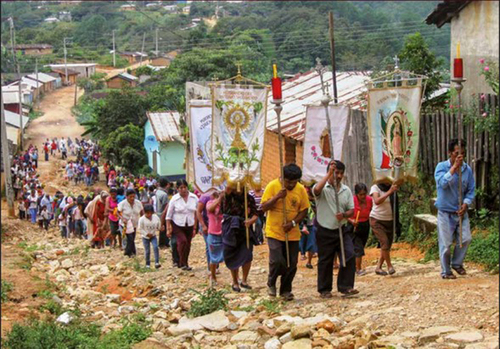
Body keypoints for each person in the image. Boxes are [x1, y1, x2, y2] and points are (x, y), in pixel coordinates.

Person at [261, 164, 310, 300]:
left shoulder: (300, 190)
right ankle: (271, 282)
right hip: (274, 231)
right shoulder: (272, 186)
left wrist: (293, 223)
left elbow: (304, 210)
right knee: (277, 260)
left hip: (292, 233)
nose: (291, 185)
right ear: (282, 178)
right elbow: (264, 207)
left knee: (291, 263)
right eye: (288, 182)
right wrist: (277, 197)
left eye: (294, 182)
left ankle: (285, 290)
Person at [313, 160, 357, 298]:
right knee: (325, 260)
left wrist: (344, 215)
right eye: (336, 173)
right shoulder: (322, 188)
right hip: (325, 230)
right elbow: (316, 190)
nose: (338, 176)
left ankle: (346, 286)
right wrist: (328, 175)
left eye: (341, 173)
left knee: (349, 255)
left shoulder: (346, 190)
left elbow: (351, 210)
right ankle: (324, 289)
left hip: (341, 229)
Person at [435, 139, 475, 279]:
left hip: (460, 212)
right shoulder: (441, 167)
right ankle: (446, 271)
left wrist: (466, 203)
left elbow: (470, 190)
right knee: (445, 244)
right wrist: (453, 169)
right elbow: (442, 184)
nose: (460, 157)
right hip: (445, 212)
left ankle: (457, 263)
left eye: (462, 154)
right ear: (450, 153)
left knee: (466, 238)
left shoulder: (467, 170)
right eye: (457, 153)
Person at [220, 184, 259, 292]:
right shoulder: (227, 196)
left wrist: (250, 221)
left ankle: (244, 280)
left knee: (247, 253)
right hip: (230, 228)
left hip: (244, 228)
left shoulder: (249, 198)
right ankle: (235, 281)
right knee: (232, 254)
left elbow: (256, 213)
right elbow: (227, 190)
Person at [369, 178, 400, 276]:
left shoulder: (393, 187)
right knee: (385, 243)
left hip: (390, 221)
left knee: (386, 246)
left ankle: (378, 267)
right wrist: (390, 192)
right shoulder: (375, 188)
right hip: (377, 219)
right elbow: (377, 201)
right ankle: (389, 266)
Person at [166, 180, 198, 271]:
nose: (183, 190)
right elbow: (169, 215)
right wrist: (168, 227)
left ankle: (185, 262)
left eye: (185, 187)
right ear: (177, 189)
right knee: (182, 241)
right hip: (178, 224)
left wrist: (195, 227)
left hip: (190, 224)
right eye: (181, 188)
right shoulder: (174, 199)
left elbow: (196, 213)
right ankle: (181, 261)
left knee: (188, 244)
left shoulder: (194, 198)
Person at [348, 183, 373, 276]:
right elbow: (344, 214)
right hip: (354, 225)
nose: (363, 196)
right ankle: (358, 269)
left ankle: (353, 266)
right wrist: (351, 220)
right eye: (360, 194)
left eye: (364, 194)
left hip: (365, 225)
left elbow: (371, 211)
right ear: (356, 194)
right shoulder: (351, 201)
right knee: (358, 248)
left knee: (361, 246)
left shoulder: (369, 200)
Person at [206, 191, 224, 287]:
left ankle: (235, 278)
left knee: (230, 255)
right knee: (213, 257)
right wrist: (219, 200)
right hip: (213, 233)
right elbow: (210, 209)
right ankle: (213, 276)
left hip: (225, 233)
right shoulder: (210, 203)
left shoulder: (226, 204)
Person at [119, 189, 144, 257]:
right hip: (125, 224)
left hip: (134, 224)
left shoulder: (138, 203)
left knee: (132, 238)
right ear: (127, 196)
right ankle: (130, 253)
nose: (132, 198)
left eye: (133, 196)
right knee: (129, 238)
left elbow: (142, 212)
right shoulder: (123, 203)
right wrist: (122, 218)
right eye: (130, 197)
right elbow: (118, 212)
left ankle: (129, 252)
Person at [138, 204, 161, 269]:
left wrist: (159, 228)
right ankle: (147, 264)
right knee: (147, 250)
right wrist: (146, 234)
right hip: (145, 237)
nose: (149, 215)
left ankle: (157, 262)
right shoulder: (141, 219)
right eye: (147, 213)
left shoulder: (155, 217)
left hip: (153, 235)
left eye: (150, 213)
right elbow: (140, 228)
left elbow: (158, 225)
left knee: (155, 247)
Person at [197, 190, 214, 273]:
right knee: (209, 245)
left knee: (215, 245)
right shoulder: (205, 197)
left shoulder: (219, 194)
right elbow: (198, 211)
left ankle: (215, 265)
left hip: (216, 225)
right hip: (206, 225)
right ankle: (210, 267)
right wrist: (203, 225)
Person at [299, 197, 317, 269]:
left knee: (311, 243)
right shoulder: (302, 202)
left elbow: (316, 212)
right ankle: (302, 255)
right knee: (301, 242)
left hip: (311, 225)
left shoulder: (314, 203)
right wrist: (303, 225)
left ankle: (309, 262)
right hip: (302, 225)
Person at [156, 177, 170, 248]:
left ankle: (166, 243)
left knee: (162, 227)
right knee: (163, 228)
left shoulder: (158, 192)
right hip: (163, 213)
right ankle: (162, 244)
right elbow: (165, 206)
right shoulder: (164, 194)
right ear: (167, 185)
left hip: (158, 212)